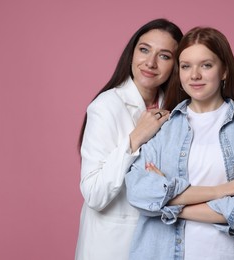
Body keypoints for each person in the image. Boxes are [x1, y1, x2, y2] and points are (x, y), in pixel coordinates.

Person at [125, 26, 234, 260]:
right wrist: (222, 191)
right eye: (186, 66)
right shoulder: (164, 127)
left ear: (224, 70)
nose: (194, 75)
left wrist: (167, 204)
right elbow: (138, 193)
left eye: (206, 65)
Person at [75, 18, 183, 260]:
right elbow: (94, 194)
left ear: (177, 65)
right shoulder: (106, 106)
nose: (150, 63)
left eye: (164, 56)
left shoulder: (176, 109)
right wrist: (134, 139)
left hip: (160, 241)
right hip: (112, 245)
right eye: (144, 50)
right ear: (132, 53)